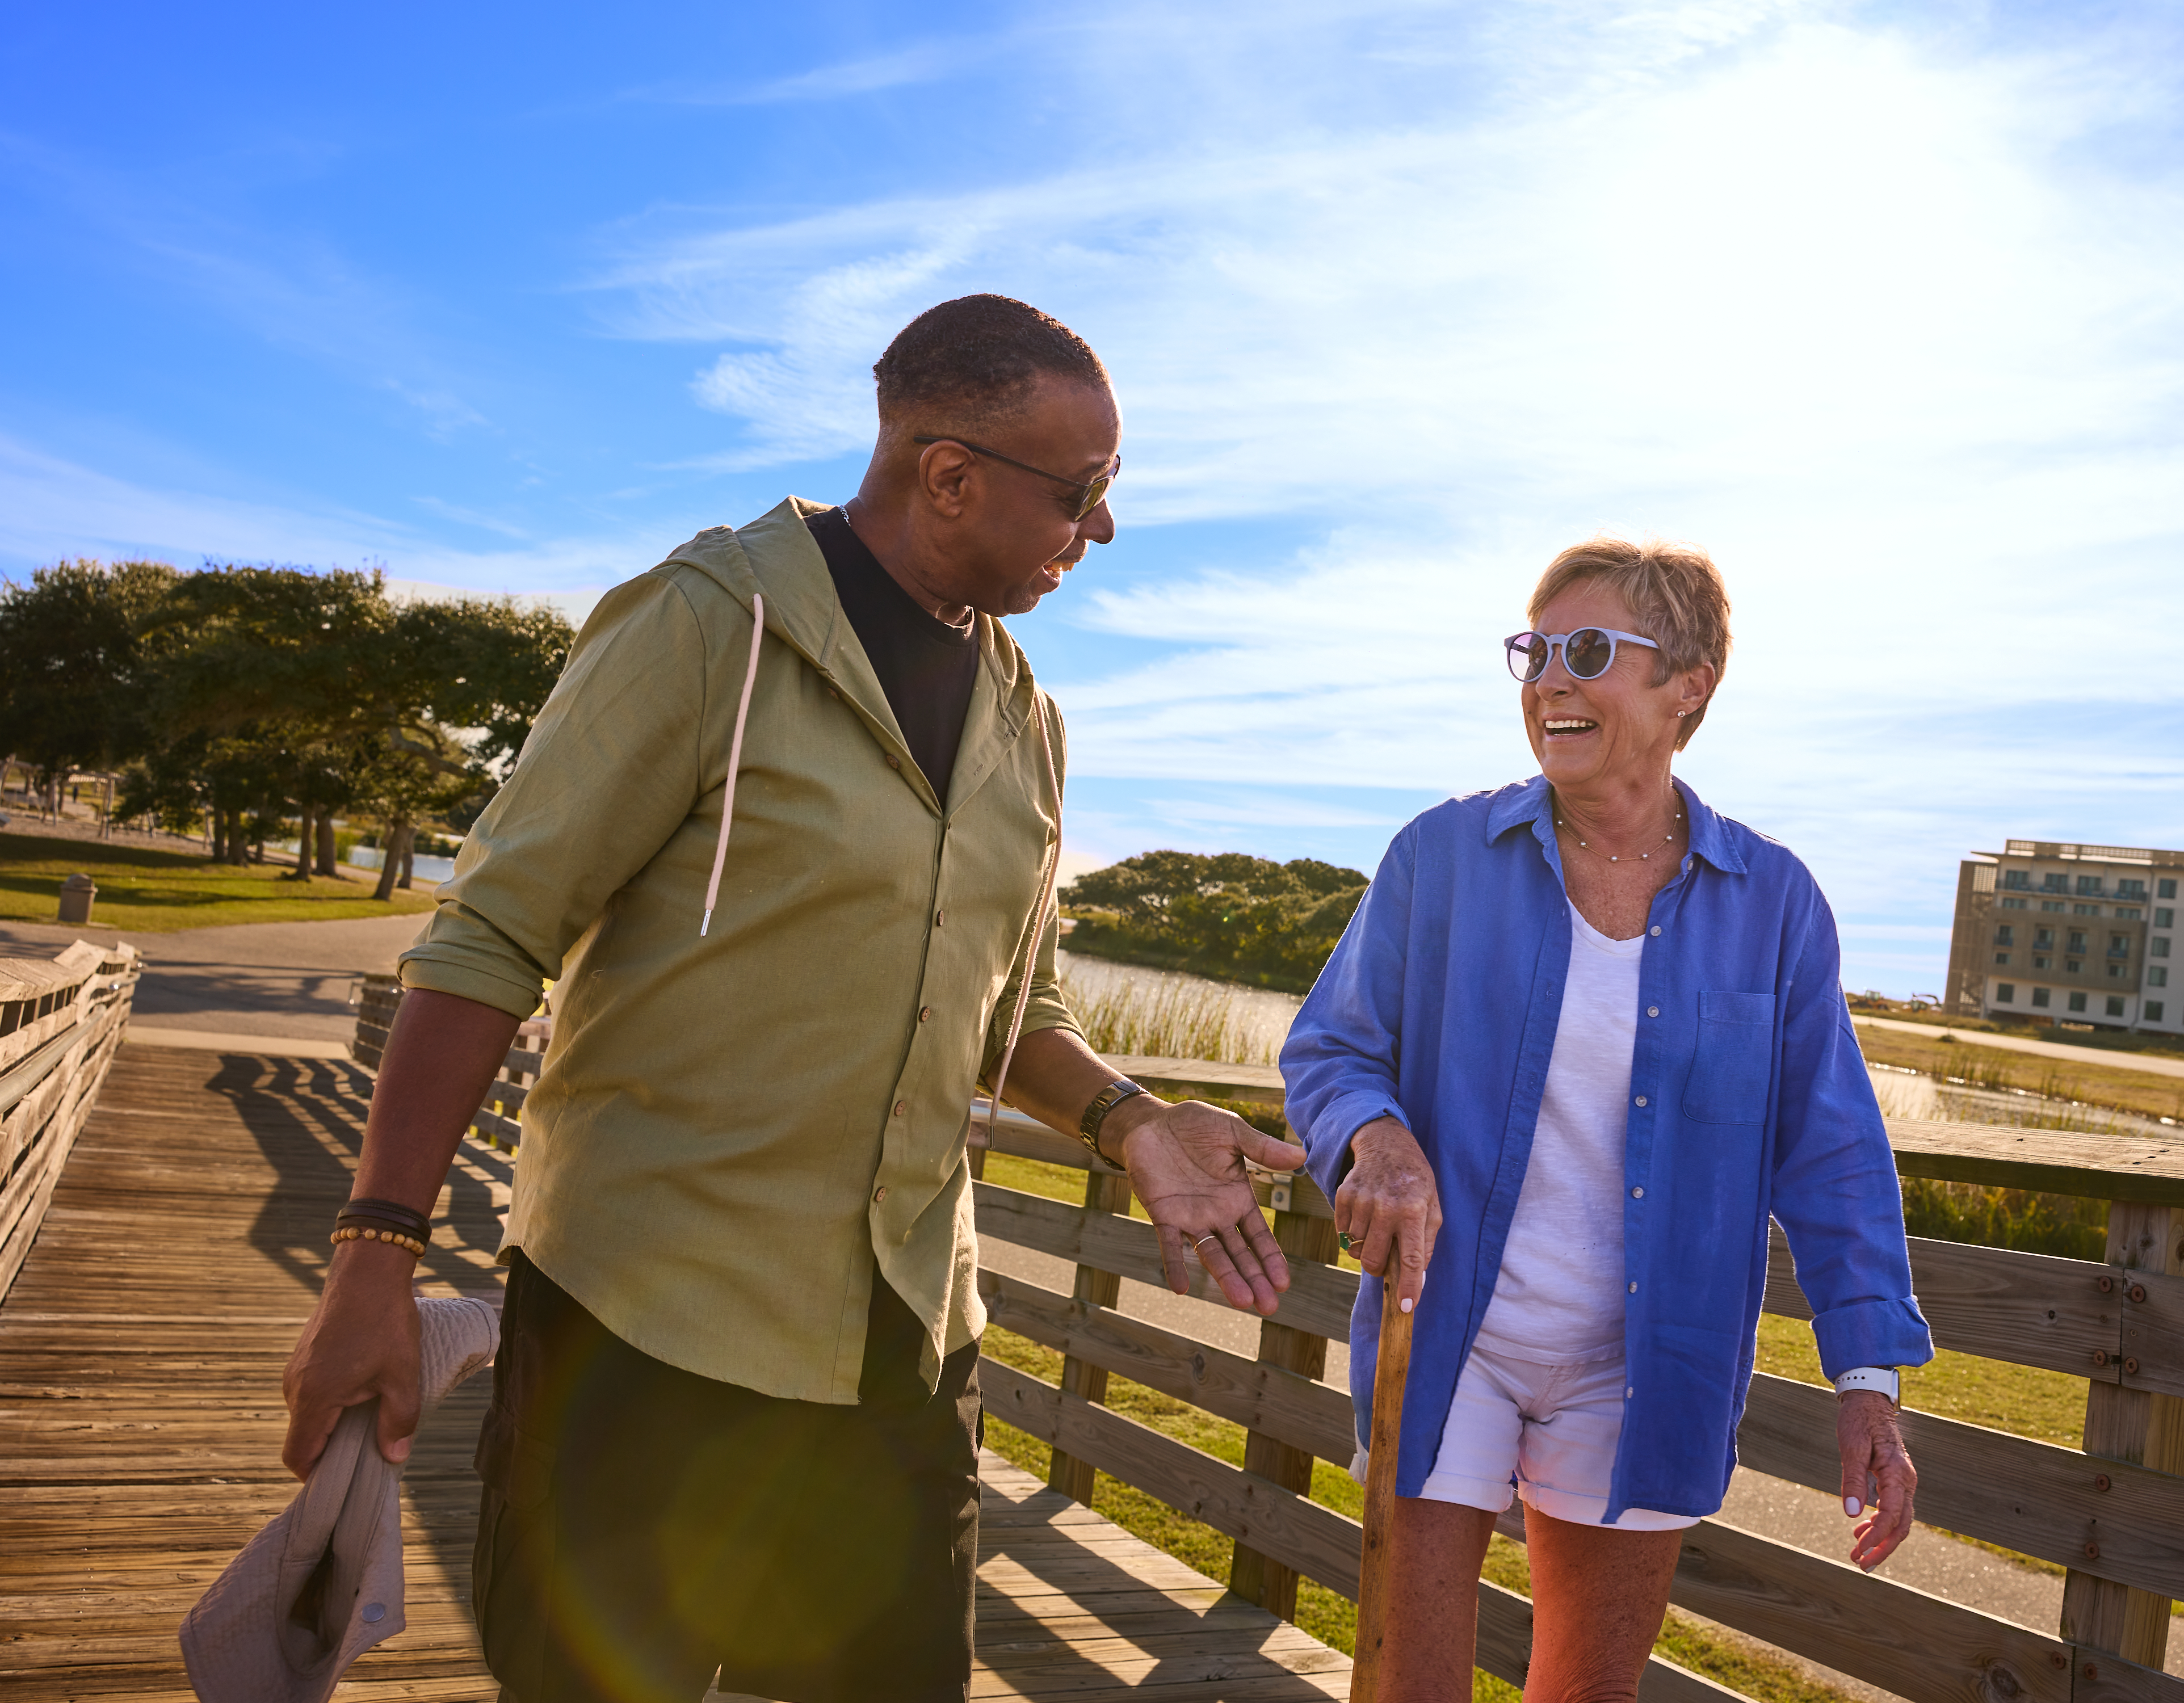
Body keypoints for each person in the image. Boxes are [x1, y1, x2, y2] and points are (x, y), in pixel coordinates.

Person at [279, 294, 1308, 1703]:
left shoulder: (1028, 718)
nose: (1102, 530)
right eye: (1081, 494)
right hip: (642, 1339)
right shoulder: (707, 625)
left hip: (902, 1355)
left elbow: (1023, 1009)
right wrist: (375, 1257)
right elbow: (485, 944)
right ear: (948, 476)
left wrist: (1132, 1120)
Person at [1280, 536, 1933, 1702]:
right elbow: (1334, 1047)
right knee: (1408, 1685)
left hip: (1646, 1360)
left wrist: (1867, 1378)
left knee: (1588, 1693)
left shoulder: (1773, 904)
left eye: (1587, 652)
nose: (1549, 682)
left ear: (1688, 686)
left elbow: (1832, 1148)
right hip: (1447, 1335)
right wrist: (1374, 1137)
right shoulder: (1442, 857)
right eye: (1533, 652)